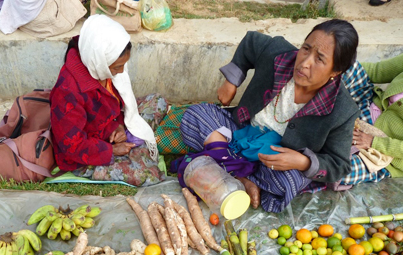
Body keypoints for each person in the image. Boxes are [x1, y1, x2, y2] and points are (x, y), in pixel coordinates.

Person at [178, 19, 360, 212]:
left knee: (288, 182)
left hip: (274, 159)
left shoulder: (343, 110)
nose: (305, 63)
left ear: (336, 71)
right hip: (240, 132)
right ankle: (243, 179)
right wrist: (231, 81)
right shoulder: (278, 54)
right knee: (196, 116)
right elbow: (251, 41)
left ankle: (224, 167)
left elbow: (339, 164)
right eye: (306, 49)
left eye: (319, 59)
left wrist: (303, 161)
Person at [50, 15, 164, 187]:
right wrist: (112, 150)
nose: (121, 71)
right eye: (117, 67)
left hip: (109, 131)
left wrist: (117, 125)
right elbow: (72, 146)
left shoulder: (99, 64)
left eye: (123, 65)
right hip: (86, 155)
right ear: (100, 61)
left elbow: (115, 104)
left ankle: (135, 147)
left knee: (158, 101)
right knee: (148, 175)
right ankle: (135, 150)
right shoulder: (68, 91)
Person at [339, 45, 403, 186]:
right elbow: (377, 71)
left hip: (386, 154)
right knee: (341, 66)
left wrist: (375, 142)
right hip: (367, 109)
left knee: (339, 172)